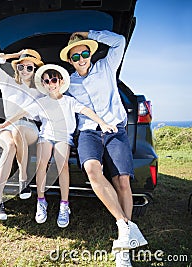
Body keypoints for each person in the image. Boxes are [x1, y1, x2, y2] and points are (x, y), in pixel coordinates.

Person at [0, 64, 118, 228]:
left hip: (63, 137)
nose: (50, 84)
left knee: (62, 165)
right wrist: (5, 124)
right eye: (46, 81)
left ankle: (64, 205)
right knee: (41, 164)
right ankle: (41, 201)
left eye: (53, 80)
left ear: (60, 81)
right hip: (46, 136)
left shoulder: (70, 101)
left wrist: (103, 123)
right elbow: (22, 113)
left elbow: (87, 111)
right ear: (43, 84)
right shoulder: (41, 102)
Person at [59, 30, 147, 265]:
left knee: (123, 181)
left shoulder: (107, 66)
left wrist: (89, 33)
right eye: (75, 57)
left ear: (90, 52)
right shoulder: (67, 82)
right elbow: (50, 94)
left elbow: (119, 41)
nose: (81, 59)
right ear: (69, 60)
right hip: (88, 132)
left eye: (84, 53)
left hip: (115, 130)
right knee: (91, 168)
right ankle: (124, 225)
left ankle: (123, 249)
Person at [0, 49, 45, 220]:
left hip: (30, 129)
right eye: (22, 67)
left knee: (19, 129)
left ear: (35, 70)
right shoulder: (6, 82)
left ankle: (22, 176)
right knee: (10, 146)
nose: (25, 71)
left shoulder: (40, 89)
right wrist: (17, 54)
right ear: (16, 68)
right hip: (7, 128)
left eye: (30, 67)